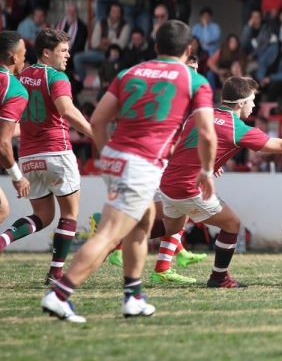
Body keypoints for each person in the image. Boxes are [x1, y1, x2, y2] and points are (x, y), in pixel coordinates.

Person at [41, 20, 217, 323]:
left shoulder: (129, 72)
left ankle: (133, 296)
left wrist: (110, 153)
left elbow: (97, 120)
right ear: (190, 50)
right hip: (141, 165)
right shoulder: (194, 79)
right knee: (110, 235)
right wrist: (206, 170)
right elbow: (207, 133)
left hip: (115, 160)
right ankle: (59, 294)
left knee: (145, 220)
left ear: (156, 46)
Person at [152, 76, 282, 285]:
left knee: (172, 227)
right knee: (231, 224)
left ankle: (121, 238)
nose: (254, 105)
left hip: (168, 181)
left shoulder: (199, 114)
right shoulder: (236, 128)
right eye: (252, 100)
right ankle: (219, 278)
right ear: (241, 103)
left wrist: (211, 165)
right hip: (189, 187)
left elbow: (188, 143)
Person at [0, 28, 93, 287]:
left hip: (29, 157)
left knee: (42, 216)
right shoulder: (56, 77)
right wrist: (95, 133)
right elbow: (67, 111)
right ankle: (56, 272)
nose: (67, 55)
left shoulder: (20, 77)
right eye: (63, 51)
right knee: (70, 214)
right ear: (46, 53)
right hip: (57, 151)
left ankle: (3, 240)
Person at [0, 31, 29, 224]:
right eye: (24, 54)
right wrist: (18, 177)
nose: (25, 59)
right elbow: (2, 144)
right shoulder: (13, 88)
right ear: (14, 57)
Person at [73, 3, 130, 83]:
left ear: (121, 14)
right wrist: (106, 44)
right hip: (100, 53)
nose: (115, 14)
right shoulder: (101, 23)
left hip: (116, 55)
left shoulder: (125, 26)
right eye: (113, 11)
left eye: (118, 12)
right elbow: (94, 43)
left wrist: (108, 42)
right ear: (109, 12)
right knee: (77, 57)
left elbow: (121, 44)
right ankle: (81, 81)